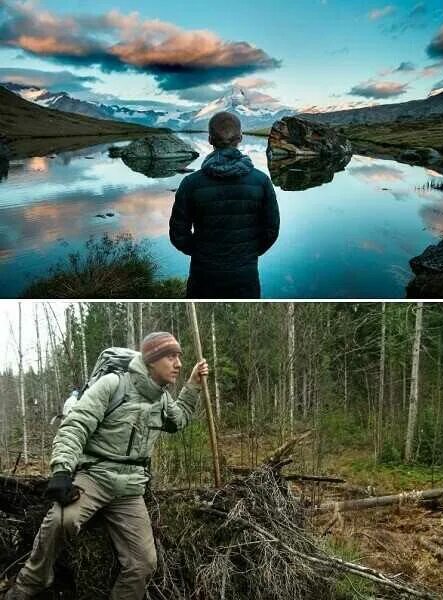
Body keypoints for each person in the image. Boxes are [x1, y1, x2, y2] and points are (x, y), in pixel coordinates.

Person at [4, 333, 207, 600]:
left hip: (131, 489)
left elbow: (178, 421)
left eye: (179, 357)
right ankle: (33, 580)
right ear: (150, 362)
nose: (179, 363)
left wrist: (192, 386)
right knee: (62, 521)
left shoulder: (161, 397)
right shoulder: (113, 385)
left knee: (144, 563)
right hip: (95, 476)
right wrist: (63, 470)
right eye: (171, 357)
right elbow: (76, 425)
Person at [170, 111, 280, 299]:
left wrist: (201, 253)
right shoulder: (261, 181)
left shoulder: (191, 183)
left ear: (210, 139)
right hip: (245, 276)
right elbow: (271, 230)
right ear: (240, 138)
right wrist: (248, 253)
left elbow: (178, 235)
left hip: (203, 275)